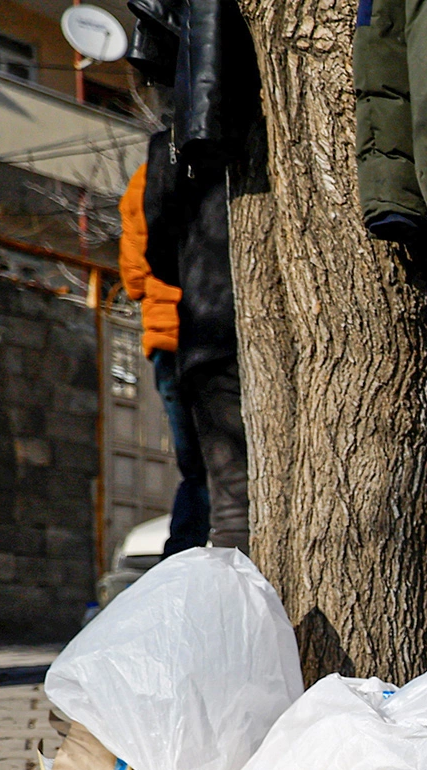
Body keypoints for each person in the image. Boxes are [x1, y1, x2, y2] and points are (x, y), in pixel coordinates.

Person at [142, 133, 246, 551]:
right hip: (226, 329)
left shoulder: (171, 144)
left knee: (229, 500)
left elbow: (156, 250)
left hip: (206, 330)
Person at [119, 139, 210, 557]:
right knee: (219, 462)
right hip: (207, 331)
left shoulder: (141, 181)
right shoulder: (210, 173)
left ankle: (181, 555)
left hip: (163, 341)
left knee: (194, 466)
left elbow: (134, 280)